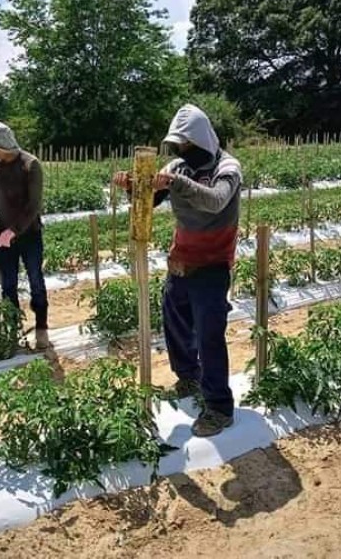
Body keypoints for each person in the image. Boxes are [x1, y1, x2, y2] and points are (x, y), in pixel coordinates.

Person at [113, 104, 242, 437]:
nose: (182, 152)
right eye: (178, 147)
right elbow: (151, 200)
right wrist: (133, 187)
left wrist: (176, 183)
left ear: (202, 141)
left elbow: (215, 200)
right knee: (175, 321)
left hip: (213, 264)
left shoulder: (228, 167)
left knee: (210, 334)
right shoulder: (178, 166)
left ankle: (218, 408)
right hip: (181, 259)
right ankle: (188, 377)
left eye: (187, 146)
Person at [0, 119, 49, 350]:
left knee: (36, 279)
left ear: (3, 144)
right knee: (8, 284)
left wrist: (13, 231)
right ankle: (13, 329)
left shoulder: (30, 164)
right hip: (4, 235)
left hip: (29, 234)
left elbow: (33, 206)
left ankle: (41, 327)